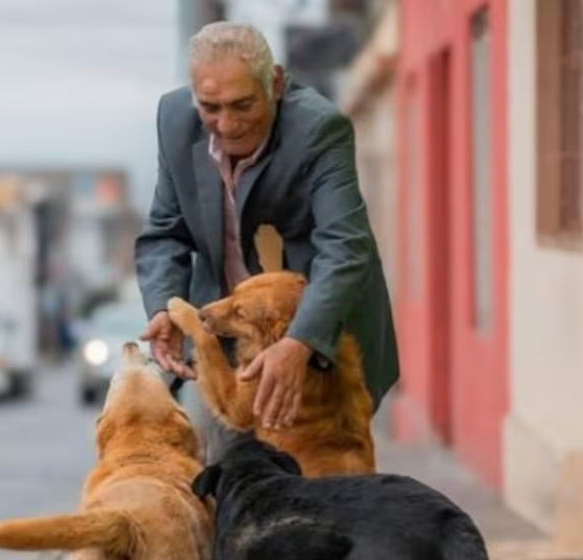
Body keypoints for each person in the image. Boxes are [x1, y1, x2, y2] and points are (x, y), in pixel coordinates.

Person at [136, 21, 399, 461]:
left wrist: (299, 344)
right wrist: (164, 305)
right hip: (226, 327)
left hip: (319, 337)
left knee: (319, 488)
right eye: (211, 107)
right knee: (209, 465)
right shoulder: (174, 121)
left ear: (275, 83)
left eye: (243, 105)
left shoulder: (320, 130)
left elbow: (344, 247)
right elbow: (165, 229)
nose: (227, 124)